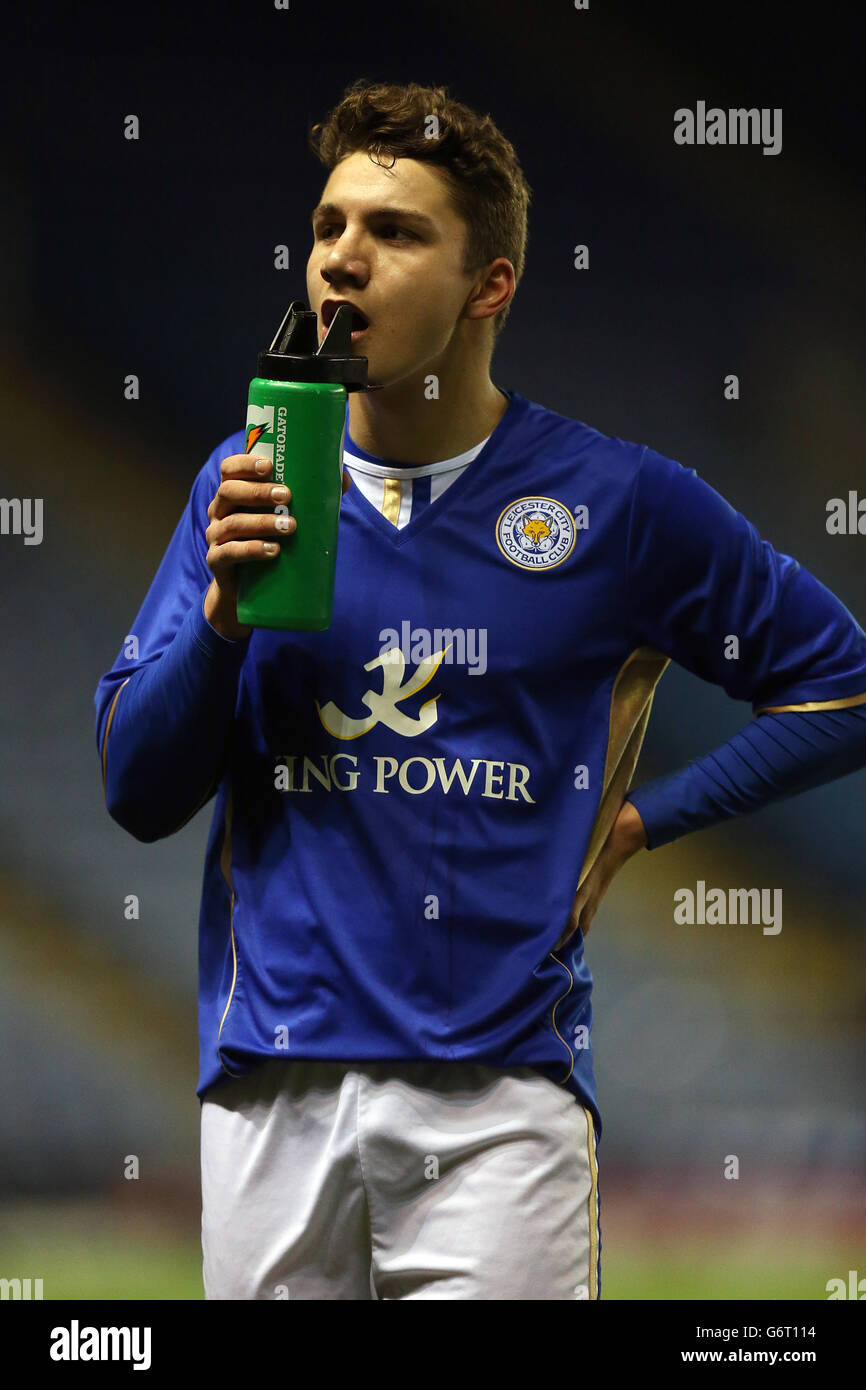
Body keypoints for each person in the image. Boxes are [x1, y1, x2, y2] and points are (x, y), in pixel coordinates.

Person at [94, 79, 866, 1300]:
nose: (342, 260)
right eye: (328, 226)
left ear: (488, 285)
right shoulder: (243, 484)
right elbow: (137, 791)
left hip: (499, 1104)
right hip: (267, 1092)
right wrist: (222, 625)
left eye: (394, 233)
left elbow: (843, 684)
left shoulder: (619, 505)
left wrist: (641, 819)